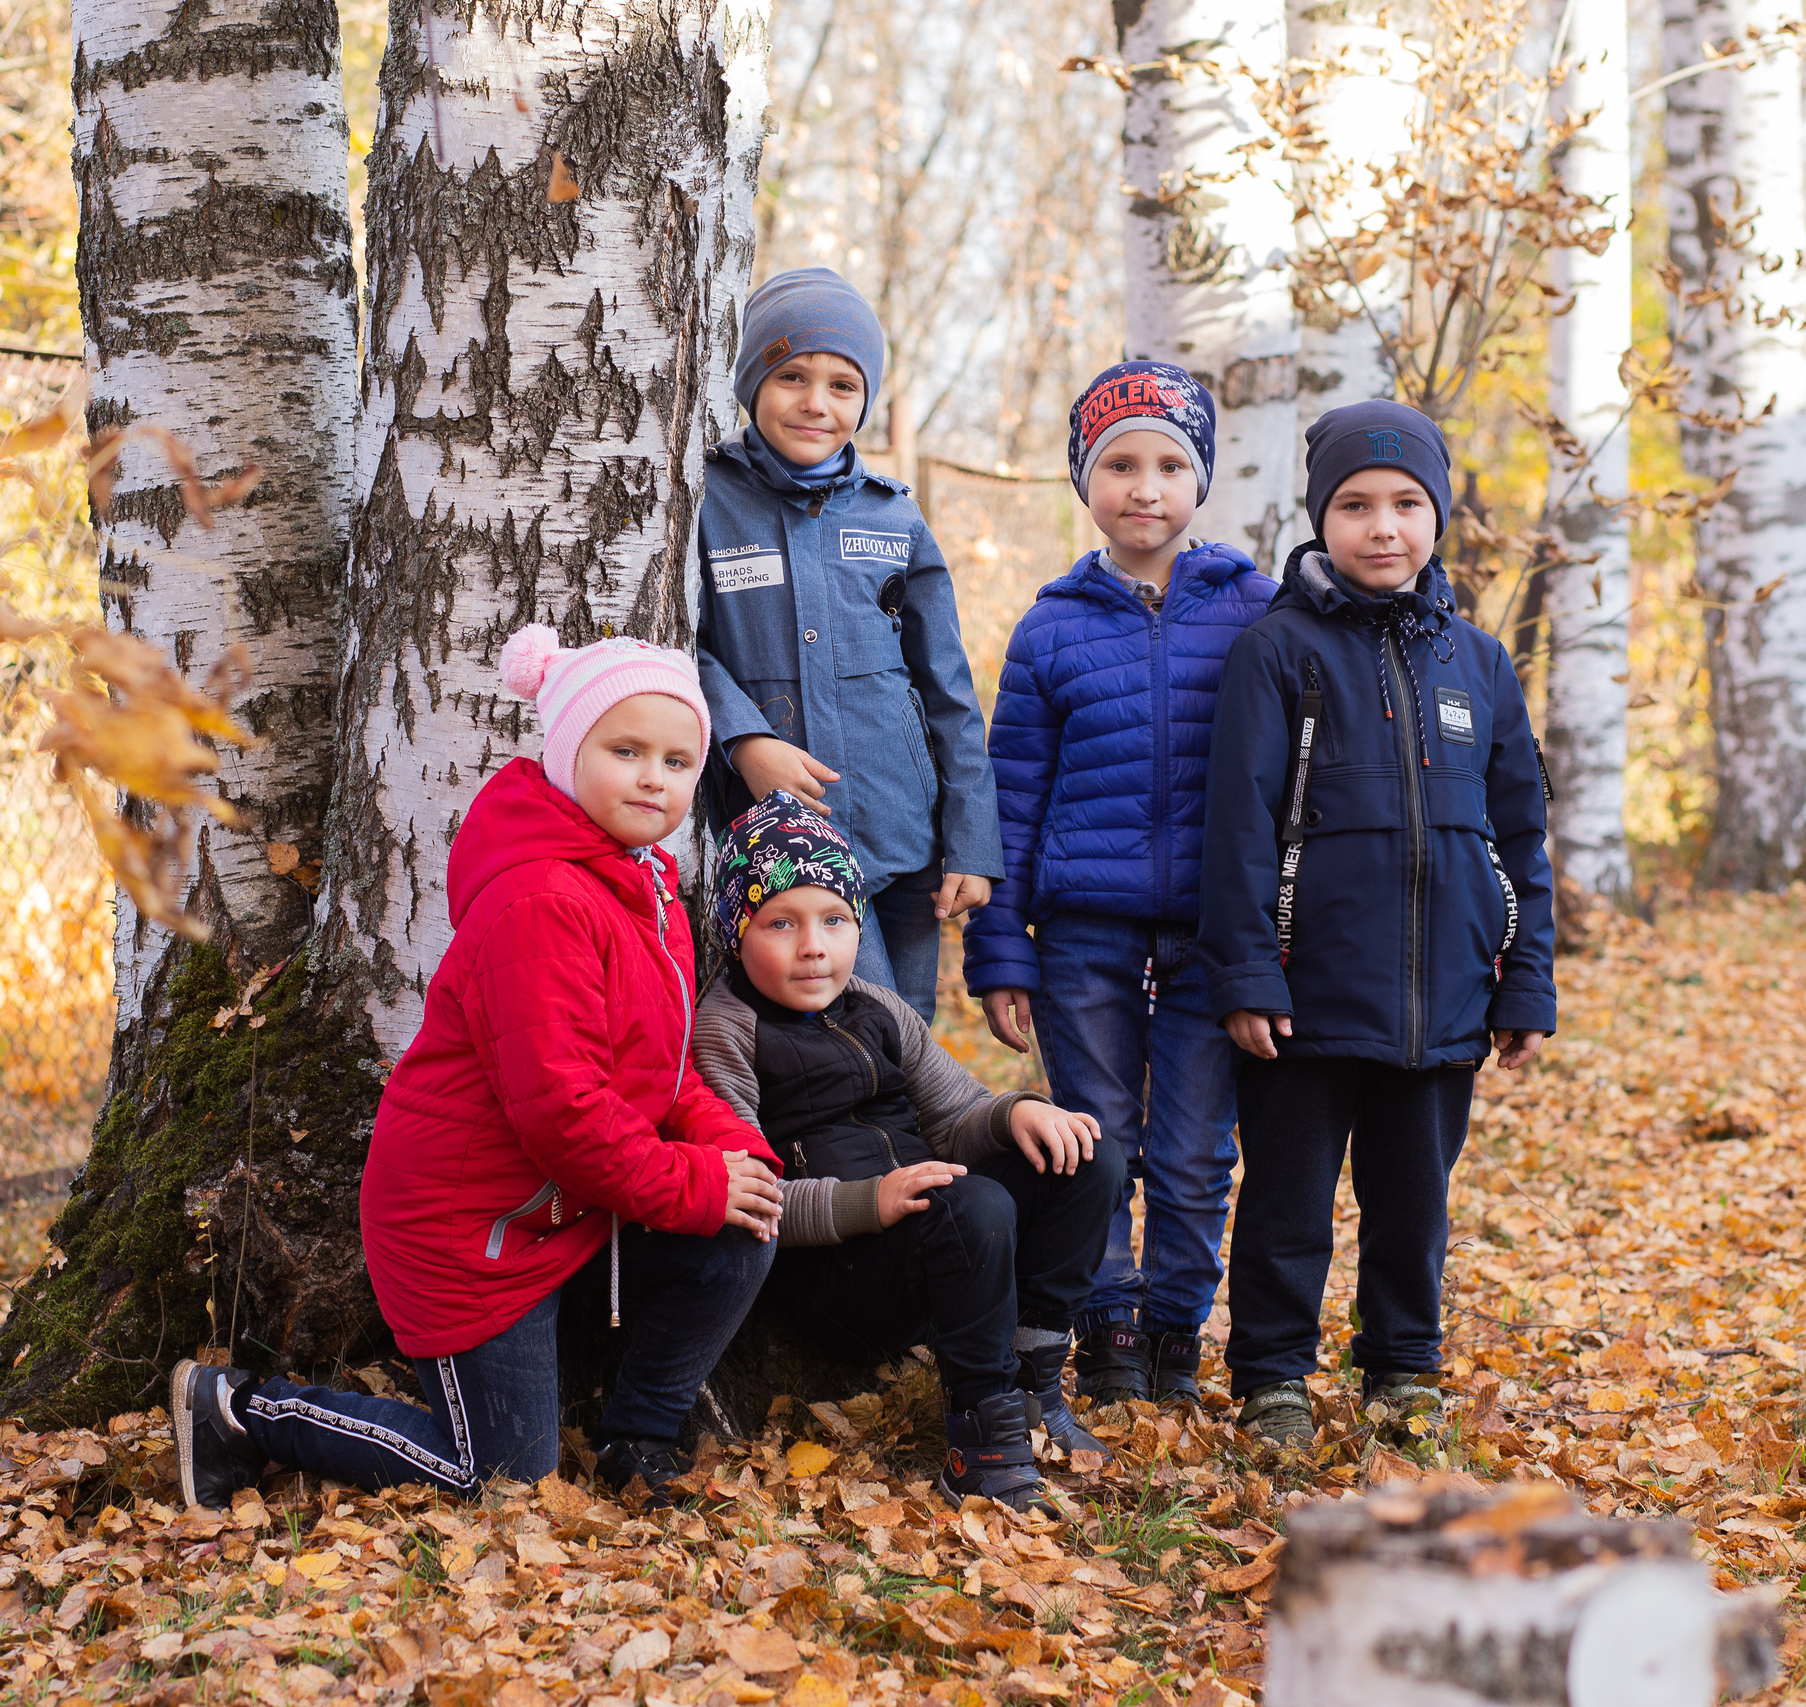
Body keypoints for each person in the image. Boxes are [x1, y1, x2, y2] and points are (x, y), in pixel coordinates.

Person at [169, 628, 786, 1508]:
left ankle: (639, 1439)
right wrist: (694, 1181)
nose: (655, 776)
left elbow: (661, 1073)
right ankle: (243, 1410)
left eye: (679, 759)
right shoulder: (542, 899)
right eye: (626, 751)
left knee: (741, 1221)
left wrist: (733, 1153)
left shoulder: (643, 883)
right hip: (472, 1234)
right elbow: (565, 1113)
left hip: (566, 1208)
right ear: (571, 753)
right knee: (496, 1477)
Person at [1198, 399, 1557, 1453]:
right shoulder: (1278, 652)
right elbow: (1239, 829)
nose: (1382, 526)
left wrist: (1524, 980)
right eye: (1355, 505)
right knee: (1288, 1209)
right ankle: (1271, 1378)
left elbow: (1519, 837)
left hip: (1444, 998)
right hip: (1307, 997)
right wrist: (1249, 974)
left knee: (1413, 1208)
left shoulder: (1479, 666)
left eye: (1406, 504)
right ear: (1321, 519)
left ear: (1437, 516)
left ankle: (1404, 1370)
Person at [962, 362, 1276, 1409]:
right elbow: (1009, 801)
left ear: (1200, 481)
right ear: (1084, 482)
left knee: (1193, 1151)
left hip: (1210, 935)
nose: (1145, 487)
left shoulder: (1251, 611)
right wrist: (1002, 951)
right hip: (1083, 935)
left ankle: (1177, 1333)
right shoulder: (1051, 627)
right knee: (1094, 1139)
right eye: (1120, 465)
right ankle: (1103, 1331)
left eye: (1169, 465)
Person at [691, 792, 1123, 1512]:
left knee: (1086, 1157)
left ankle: (1031, 1381)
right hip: (838, 1274)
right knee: (973, 1202)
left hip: (941, 1236)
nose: (813, 946)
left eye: (833, 919)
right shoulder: (728, 1029)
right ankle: (979, 1441)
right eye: (781, 923)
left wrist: (1019, 1110)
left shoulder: (876, 1006)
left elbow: (957, 1115)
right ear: (737, 931)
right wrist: (872, 1200)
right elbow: (748, 1195)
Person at [695, 266, 1002, 1020]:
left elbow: (949, 692)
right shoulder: (705, 499)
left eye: (842, 384)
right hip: (783, 848)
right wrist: (744, 740)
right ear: (750, 383)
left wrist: (970, 842)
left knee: (908, 1028)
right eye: (791, 375)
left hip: (904, 836)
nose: (815, 403)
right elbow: (678, 643)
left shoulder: (895, 517)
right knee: (847, 1037)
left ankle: (914, 1143)